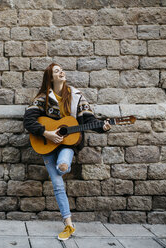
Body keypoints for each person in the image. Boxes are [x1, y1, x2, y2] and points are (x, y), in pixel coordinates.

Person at [23, 63, 111, 241]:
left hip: (68, 144)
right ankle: (68, 224)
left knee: (62, 167)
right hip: (46, 143)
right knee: (57, 184)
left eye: (61, 70)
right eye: (57, 71)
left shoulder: (76, 96)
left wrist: (104, 126)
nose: (61, 72)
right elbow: (28, 120)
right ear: (50, 78)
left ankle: (64, 166)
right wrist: (47, 133)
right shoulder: (42, 98)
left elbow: (89, 119)